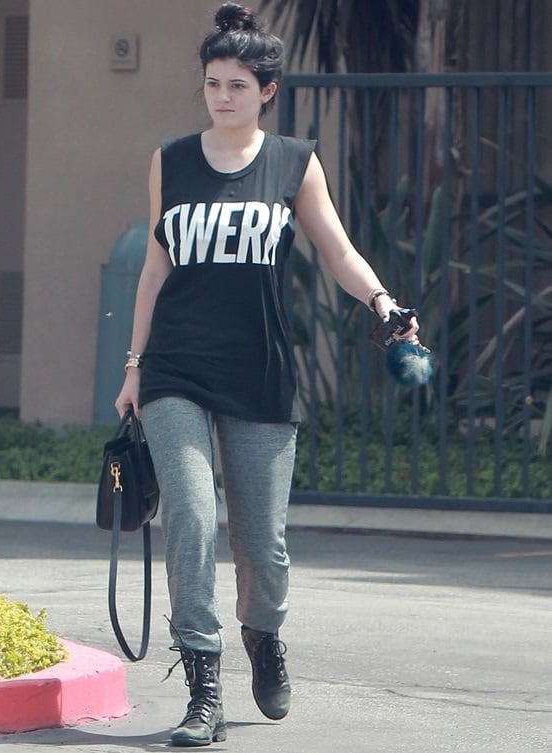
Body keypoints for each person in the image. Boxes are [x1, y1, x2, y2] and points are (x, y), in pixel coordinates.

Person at [114, 2, 419, 746]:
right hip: (175, 367)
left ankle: (263, 635)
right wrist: (133, 365)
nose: (223, 96)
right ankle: (203, 685)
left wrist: (381, 299)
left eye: (238, 85)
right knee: (191, 513)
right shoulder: (170, 160)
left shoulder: (292, 162)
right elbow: (157, 264)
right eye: (214, 83)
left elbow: (338, 250)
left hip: (259, 369)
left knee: (264, 545)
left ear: (267, 91)